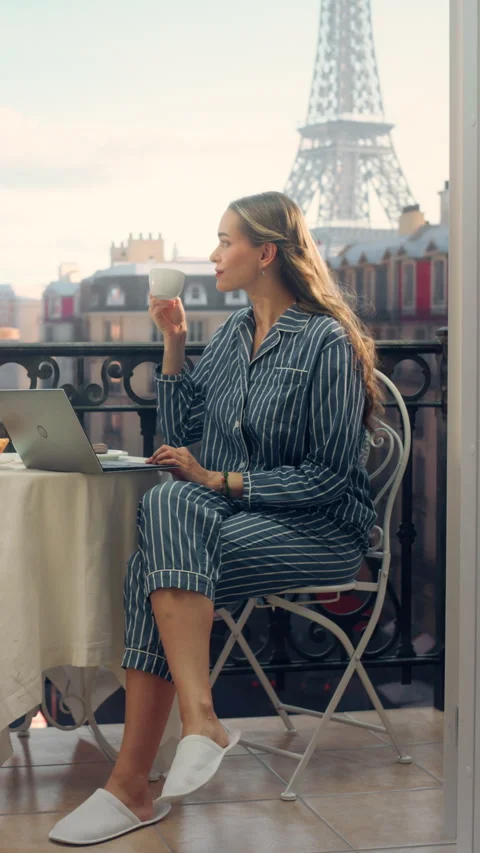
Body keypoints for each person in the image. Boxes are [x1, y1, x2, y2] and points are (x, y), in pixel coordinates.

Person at [49, 191, 380, 846]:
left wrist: (221, 478)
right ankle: (197, 722)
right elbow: (179, 444)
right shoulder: (230, 332)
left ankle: (132, 786)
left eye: (225, 240)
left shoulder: (325, 342)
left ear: (266, 252)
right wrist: (174, 343)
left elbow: (331, 476)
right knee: (166, 506)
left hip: (318, 526)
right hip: (227, 512)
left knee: (157, 557)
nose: (212, 253)